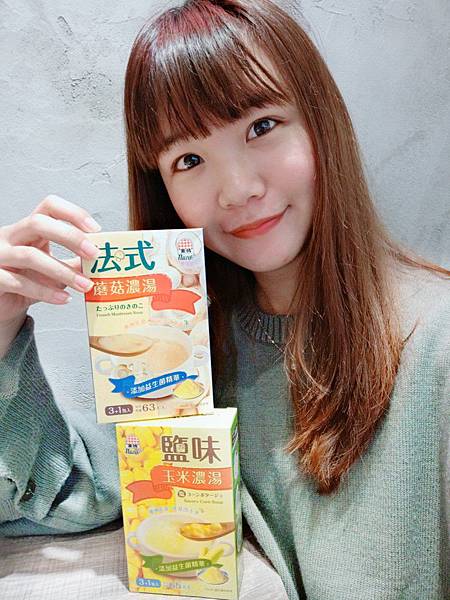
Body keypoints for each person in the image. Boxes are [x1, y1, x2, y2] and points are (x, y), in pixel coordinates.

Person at [0, 1, 448, 598]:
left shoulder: (435, 344)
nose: (237, 190)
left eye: (262, 126)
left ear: (321, 120)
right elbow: (57, 496)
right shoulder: (186, 346)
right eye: (189, 160)